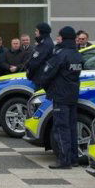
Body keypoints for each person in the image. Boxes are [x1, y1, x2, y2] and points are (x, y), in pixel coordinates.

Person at [36, 27, 84, 169]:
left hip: (60, 95)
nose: (57, 38)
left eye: (59, 36)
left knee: (61, 128)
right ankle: (73, 158)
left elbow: (47, 73)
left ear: (63, 38)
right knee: (71, 128)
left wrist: (44, 85)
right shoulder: (77, 54)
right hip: (72, 94)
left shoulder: (60, 54)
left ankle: (64, 160)